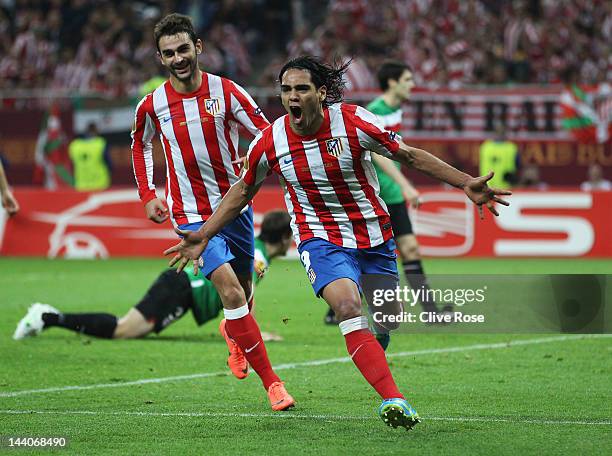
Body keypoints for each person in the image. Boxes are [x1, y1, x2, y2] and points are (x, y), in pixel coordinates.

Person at [164, 55, 511, 430]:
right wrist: (204, 233)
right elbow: (242, 191)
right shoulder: (270, 141)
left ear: (321, 93)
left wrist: (464, 182)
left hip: (374, 236)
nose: (292, 97)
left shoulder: (354, 122)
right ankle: (394, 399)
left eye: (301, 89)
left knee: (389, 318)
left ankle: (379, 342)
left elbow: (409, 156)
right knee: (347, 306)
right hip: (320, 239)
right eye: (286, 90)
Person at [130, 13, 293, 411]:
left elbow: (265, 133)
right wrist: (149, 194)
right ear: (160, 57)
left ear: (198, 47)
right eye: (169, 53)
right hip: (189, 216)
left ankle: (234, 334)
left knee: (245, 292)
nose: (178, 58)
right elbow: (140, 145)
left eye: (184, 49)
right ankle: (273, 384)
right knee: (232, 290)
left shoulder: (228, 92)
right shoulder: (152, 104)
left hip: (234, 206)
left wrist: (251, 160)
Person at [13, 211, 293, 378]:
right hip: (181, 286)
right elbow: (241, 295)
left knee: (126, 329)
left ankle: (48, 317)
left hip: (184, 292)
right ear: (283, 238)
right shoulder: (257, 257)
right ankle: (46, 317)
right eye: (290, 237)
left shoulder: (253, 249)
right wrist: (251, 331)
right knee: (123, 330)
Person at [324, 61, 446, 342]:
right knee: (365, 251)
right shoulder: (376, 111)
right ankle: (340, 307)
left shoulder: (395, 110)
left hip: (392, 194)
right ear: (392, 82)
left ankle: (429, 309)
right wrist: (407, 185)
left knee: (410, 248)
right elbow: (378, 154)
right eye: (407, 79)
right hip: (377, 195)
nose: (412, 85)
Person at [68, 122, 112, 191]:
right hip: (100, 185)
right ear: (96, 131)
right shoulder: (100, 143)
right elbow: (109, 164)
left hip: (81, 186)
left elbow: (71, 164)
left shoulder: (75, 145)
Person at [479, 123, 519, 190]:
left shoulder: (485, 147)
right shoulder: (511, 148)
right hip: (500, 188)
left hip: (490, 187)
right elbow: (518, 165)